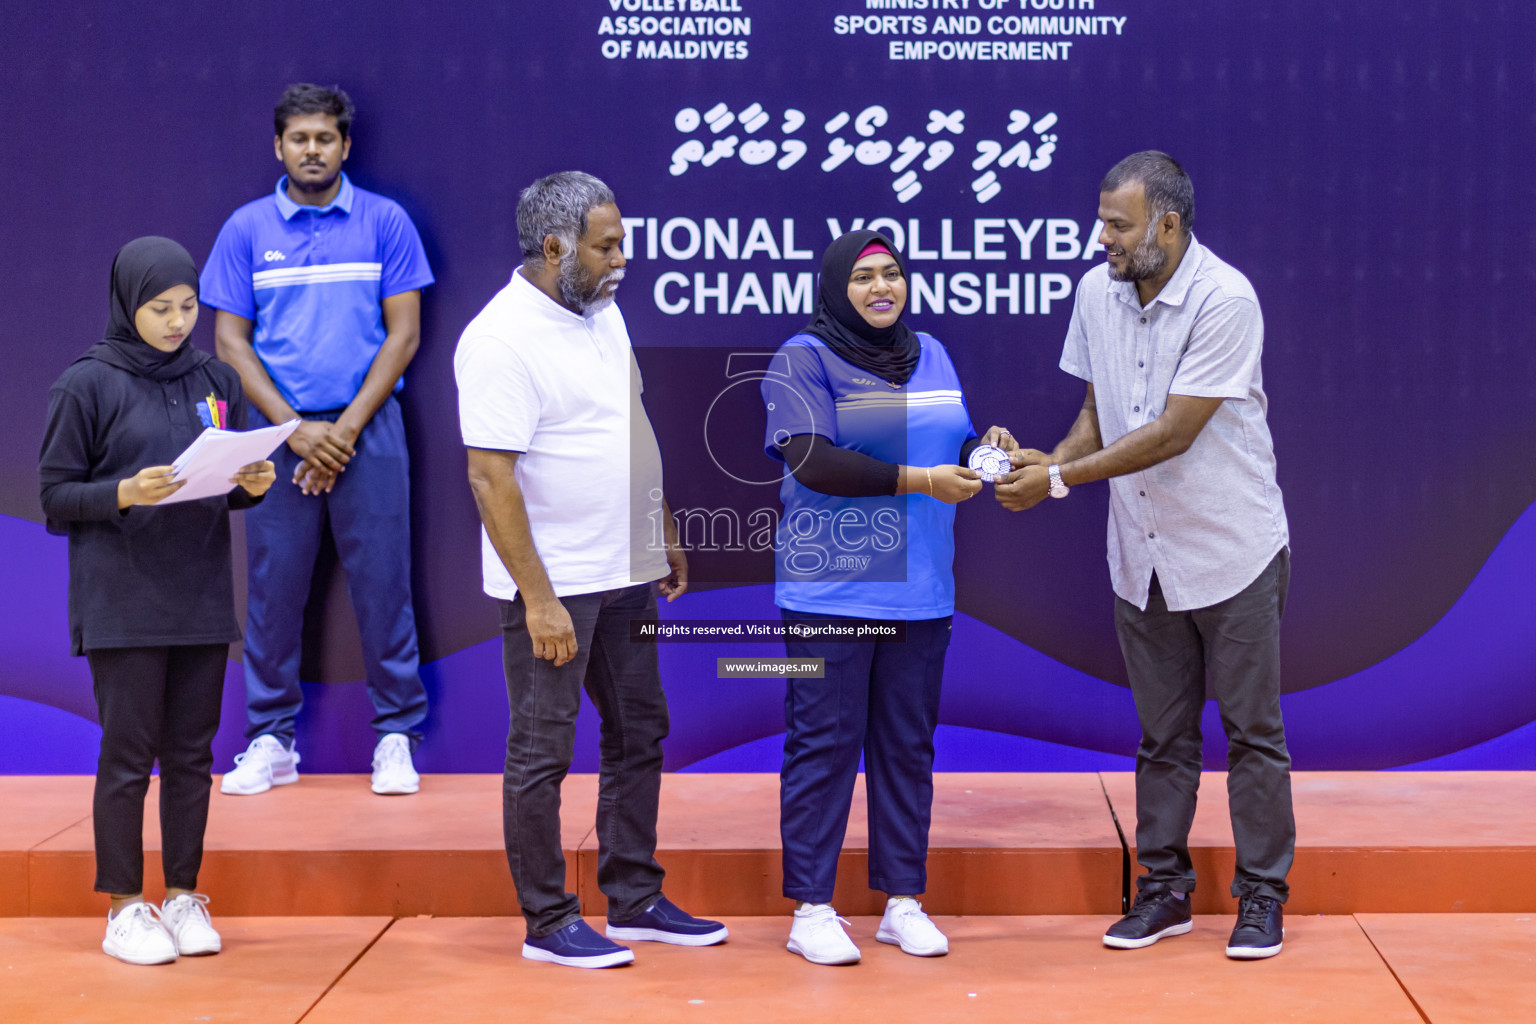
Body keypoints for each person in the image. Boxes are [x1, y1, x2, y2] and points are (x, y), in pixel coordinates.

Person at [997, 151, 1294, 960]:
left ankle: (1262, 899)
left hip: (1232, 548)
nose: (1103, 239)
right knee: (1162, 737)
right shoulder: (1097, 293)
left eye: (1118, 225)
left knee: (1252, 732)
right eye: (1101, 222)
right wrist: (1047, 460)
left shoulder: (1225, 298)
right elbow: (1098, 414)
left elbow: (1170, 433)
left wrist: (1056, 478)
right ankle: (1163, 891)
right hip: (1142, 556)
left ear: (1167, 224)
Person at [455, 170, 726, 969]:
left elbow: (628, 426)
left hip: (626, 569)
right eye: (607, 247)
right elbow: (488, 477)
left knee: (641, 729)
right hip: (555, 588)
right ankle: (547, 921)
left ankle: (634, 896)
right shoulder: (499, 339)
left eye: (621, 243)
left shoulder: (603, 312)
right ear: (554, 247)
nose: (622, 260)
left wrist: (663, 524)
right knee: (542, 754)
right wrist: (538, 600)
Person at [762, 229, 1009, 966]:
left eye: (893, 274)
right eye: (865, 276)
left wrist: (982, 452)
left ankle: (903, 903)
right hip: (829, 592)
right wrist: (921, 481)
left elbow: (954, 438)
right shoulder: (800, 358)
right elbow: (812, 458)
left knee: (906, 748)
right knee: (824, 747)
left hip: (924, 590)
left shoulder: (930, 351)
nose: (881, 288)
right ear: (839, 286)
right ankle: (811, 908)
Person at [39, 237, 276, 965]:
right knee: (128, 757)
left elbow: (221, 481)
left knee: (191, 755)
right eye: (161, 308)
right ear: (127, 304)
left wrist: (249, 486)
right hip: (122, 600)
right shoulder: (87, 383)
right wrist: (122, 491)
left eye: (188, 307)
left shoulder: (216, 378)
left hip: (199, 595)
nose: (178, 322)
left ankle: (181, 896)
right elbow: (54, 497)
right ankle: (122, 908)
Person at [200, 83, 434, 797]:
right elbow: (231, 344)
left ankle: (396, 736)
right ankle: (271, 741)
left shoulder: (385, 222)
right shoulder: (244, 229)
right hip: (277, 435)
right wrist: (296, 431)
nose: (311, 150)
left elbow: (405, 333)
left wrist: (345, 430)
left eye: (324, 138)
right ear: (279, 147)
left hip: (371, 429)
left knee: (385, 583)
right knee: (272, 591)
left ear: (344, 147)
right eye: (298, 139)